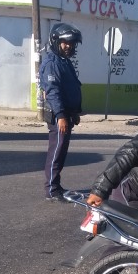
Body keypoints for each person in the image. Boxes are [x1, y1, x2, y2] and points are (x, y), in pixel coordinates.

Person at [39, 22, 83, 201]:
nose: (69, 46)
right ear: (56, 41)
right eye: (65, 43)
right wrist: (61, 116)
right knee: (56, 152)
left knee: (61, 152)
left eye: (71, 43)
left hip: (66, 114)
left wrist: (75, 112)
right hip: (59, 116)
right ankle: (51, 189)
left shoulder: (64, 62)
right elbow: (53, 91)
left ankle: (55, 185)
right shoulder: (52, 63)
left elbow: (71, 87)